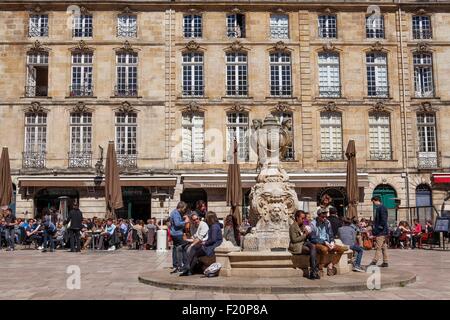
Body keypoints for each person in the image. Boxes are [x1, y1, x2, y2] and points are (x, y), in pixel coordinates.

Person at [180, 211, 223, 276]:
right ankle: (188, 269)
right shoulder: (215, 225)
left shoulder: (214, 226)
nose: (206, 219)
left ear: (210, 218)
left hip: (212, 246)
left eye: (207, 218)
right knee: (189, 249)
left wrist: (205, 243)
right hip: (211, 245)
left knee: (195, 253)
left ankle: (189, 270)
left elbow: (213, 240)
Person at [310, 210, 346, 276]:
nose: (325, 218)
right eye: (323, 217)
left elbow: (331, 234)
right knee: (324, 249)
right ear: (318, 216)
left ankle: (331, 265)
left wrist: (331, 241)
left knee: (342, 249)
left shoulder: (327, 222)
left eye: (326, 217)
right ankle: (320, 267)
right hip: (318, 243)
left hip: (327, 242)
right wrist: (324, 242)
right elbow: (313, 238)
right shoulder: (313, 224)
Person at [289, 210, 320, 280]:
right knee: (312, 249)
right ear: (297, 218)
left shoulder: (303, 226)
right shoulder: (292, 227)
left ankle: (313, 270)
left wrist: (308, 233)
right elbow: (294, 240)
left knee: (314, 247)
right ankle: (314, 270)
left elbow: (306, 237)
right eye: (302, 218)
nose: (303, 220)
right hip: (297, 245)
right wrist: (305, 235)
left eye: (304, 218)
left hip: (304, 243)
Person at [169, 201, 189, 273]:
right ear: (181, 207)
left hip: (174, 233)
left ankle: (176, 265)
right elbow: (177, 224)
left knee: (175, 248)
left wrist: (182, 219)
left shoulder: (174, 212)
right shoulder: (176, 213)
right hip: (177, 234)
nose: (184, 210)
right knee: (183, 247)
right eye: (184, 208)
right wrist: (186, 221)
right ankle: (182, 265)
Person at [369, 196, 389, 267]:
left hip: (381, 232)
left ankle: (374, 261)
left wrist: (378, 229)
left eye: (373, 202)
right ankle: (385, 262)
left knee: (378, 247)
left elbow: (384, 220)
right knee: (384, 247)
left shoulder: (381, 208)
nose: (373, 204)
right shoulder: (381, 207)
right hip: (384, 231)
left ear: (376, 200)